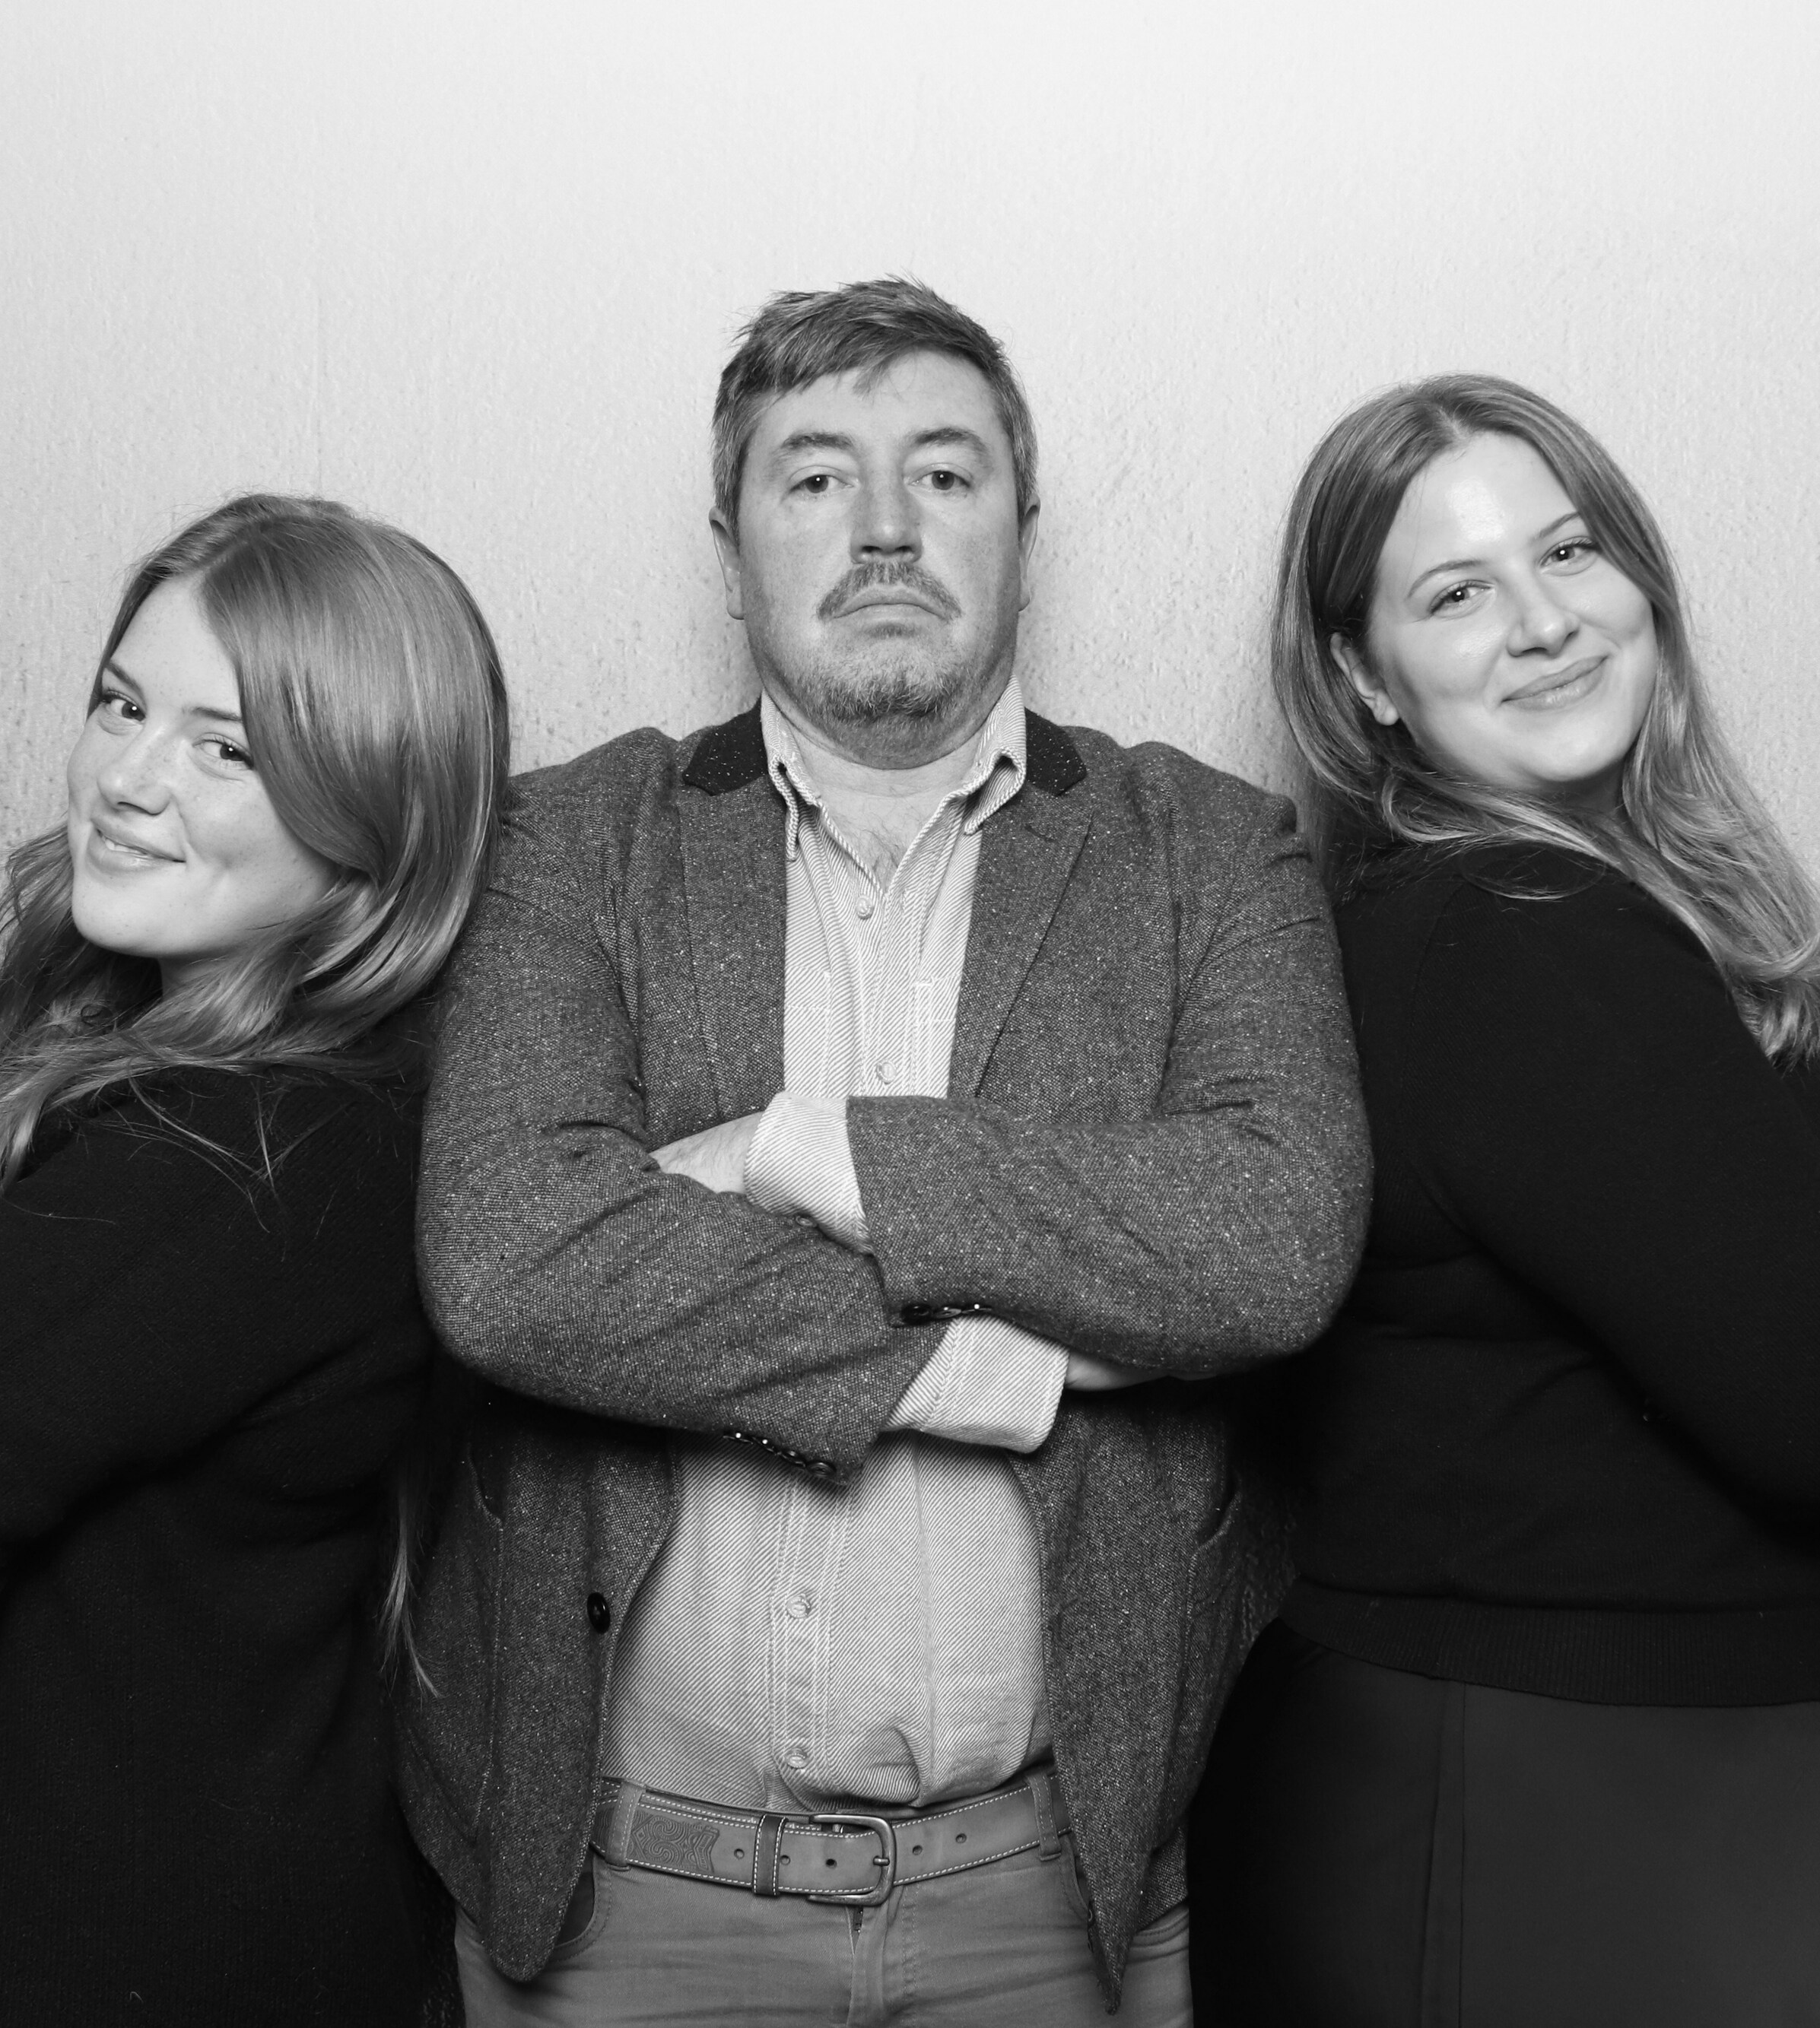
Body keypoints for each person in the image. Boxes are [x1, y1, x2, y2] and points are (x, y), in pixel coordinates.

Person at [399, 278, 1371, 2026]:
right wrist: (998, 1359)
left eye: (942, 471)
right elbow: (513, 1259)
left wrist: (795, 1147)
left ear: (1021, 529)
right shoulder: (569, 839)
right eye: (813, 477)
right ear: (730, 548)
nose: (883, 528)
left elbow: (1271, 1239)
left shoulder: (1210, 853)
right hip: (623, 1902)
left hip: (1055, 1901)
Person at [1188, 376, 1820, 2026]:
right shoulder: (1510, 933)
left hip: (1712, 1762)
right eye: (1456, 593)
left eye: (1568, 552)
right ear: (1365, 677)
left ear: (1638, 576)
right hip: (1549, 1779)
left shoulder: (1696, 911)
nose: (1541, 623)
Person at [0, 494, 507, 2026]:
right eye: (122, 706)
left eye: (226, 748)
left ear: (374, 825)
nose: (127, 779)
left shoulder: (257, 1153)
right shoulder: (112, 1051)